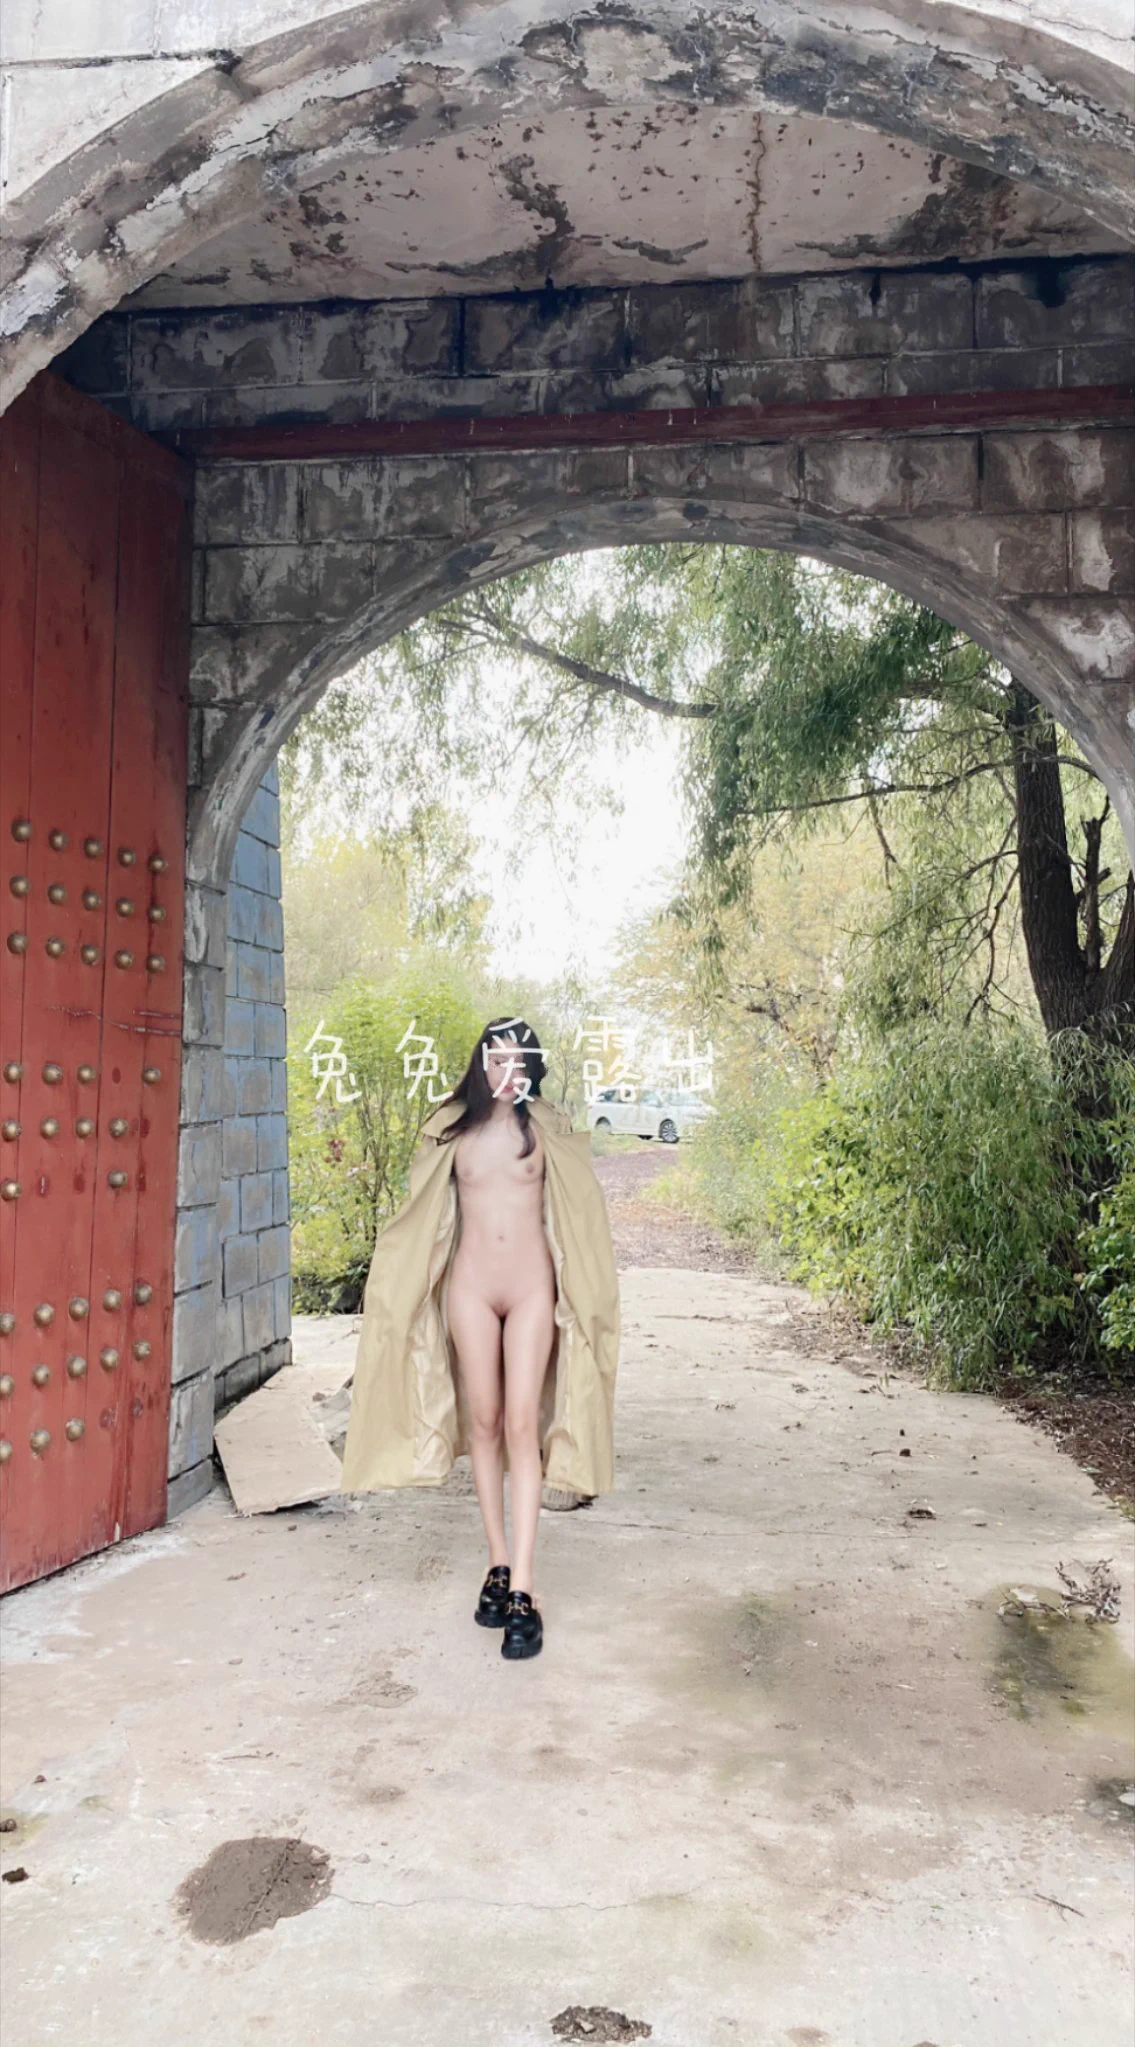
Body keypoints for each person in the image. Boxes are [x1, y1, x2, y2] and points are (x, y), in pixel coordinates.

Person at [340, 1017, 621, 1663]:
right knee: (486, 1423)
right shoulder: (451, 1129)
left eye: (518, 1060)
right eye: (496, 1059)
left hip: (530, 1291)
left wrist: (588, 1298)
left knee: (523, 1424)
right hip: (469, 1290)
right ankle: (497, 1563)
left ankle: (524, 1585)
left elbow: (580, 1220)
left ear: (531, 1068)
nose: (506, 1071)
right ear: (480, 1063)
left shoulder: (547, 1131)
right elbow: (420, 1219)